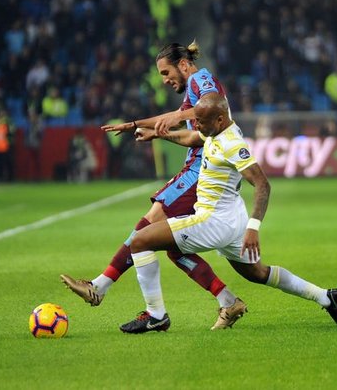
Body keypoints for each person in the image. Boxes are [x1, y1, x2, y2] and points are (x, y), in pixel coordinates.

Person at [119, 93, 337, 333]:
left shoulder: (232, 144)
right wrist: (158, 133)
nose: (197, 124)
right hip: (231, 217)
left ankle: (156, 315)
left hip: (212, 221)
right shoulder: (216, 131)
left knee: (140, 241)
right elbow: (192, 137)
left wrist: (254, 227)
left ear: (219, 120)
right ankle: (325, 297)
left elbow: (262, 184)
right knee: (257, 273)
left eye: (201, 121)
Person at [61, 41, 246, 330]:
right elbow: (175, 116)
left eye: (165, 72)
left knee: (148, 225)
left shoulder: (200, 79)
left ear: (183, 64)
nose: (164, 79)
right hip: (194, 167)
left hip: (201, 170)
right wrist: (133, 124)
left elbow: (213, 106)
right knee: (173, 248)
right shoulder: (191, 90)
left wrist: (176, 118)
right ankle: (226, 299)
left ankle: (105, 290)